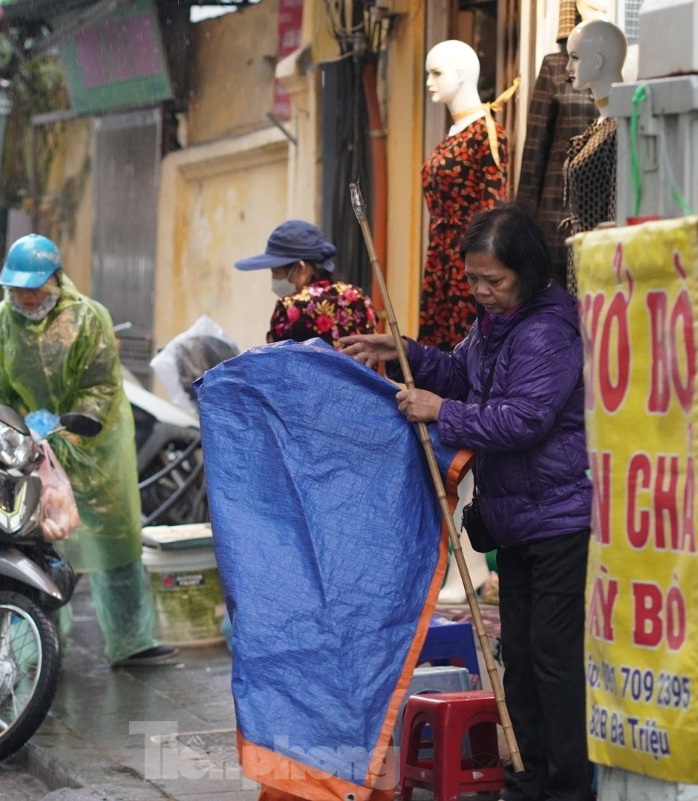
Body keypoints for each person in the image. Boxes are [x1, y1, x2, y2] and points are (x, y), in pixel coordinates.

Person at [341, 205, 594, 801]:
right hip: (516, 516)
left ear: (527, 272)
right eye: (474, 279)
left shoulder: (549, 330)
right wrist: (402, 349)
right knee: (523, 659)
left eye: (494, 281)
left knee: (553, 659)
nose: (481, 292)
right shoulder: (495, 325)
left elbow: (524, 419)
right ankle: (526, 779)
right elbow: (461, 372)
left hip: (561, 516)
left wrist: (441, 412)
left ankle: (568, 787)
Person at [0, 234, 178, 667]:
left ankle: (132, 641)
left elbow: (102, 384)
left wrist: (71, 424)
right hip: (29, 451)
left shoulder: (89, 319)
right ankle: (35, 648)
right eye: (17, 288)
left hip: (93, 450)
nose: (25, 297)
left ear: (55, 280)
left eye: (34, 287)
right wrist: (19, 430)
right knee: (33, 541)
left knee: (113, 538)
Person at [419, 39, 509, 351]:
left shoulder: (486, 133)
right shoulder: (454, 133)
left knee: (465, 348)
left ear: (460, 74)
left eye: (436, 73)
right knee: (439, 351)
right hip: (441, 256)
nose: (429, 81)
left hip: (467, 261)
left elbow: (494, 207)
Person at [515, 0, 602, 288]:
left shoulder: (624, 66)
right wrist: (521, 224)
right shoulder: (557, 66)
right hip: (556, 220)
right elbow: (533, 153)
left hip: (603, 221)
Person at [233, 219, 377, 348]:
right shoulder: (358, 297)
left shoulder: (290, 307)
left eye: (276, 272)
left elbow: (276, 365)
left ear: (300, 268)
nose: (274, 280)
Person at [562, 19, 628, 294]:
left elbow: (618, 209)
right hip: (583, 258)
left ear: (599, 62)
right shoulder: (602, 124)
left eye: (575, 58)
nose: (568, 68)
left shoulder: (620, 128)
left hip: (602, 268)